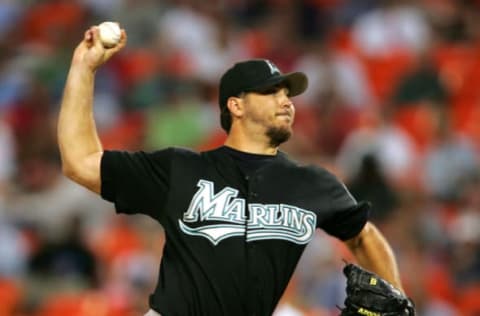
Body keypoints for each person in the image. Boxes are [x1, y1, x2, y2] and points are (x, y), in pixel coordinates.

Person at [58, 25, 405, 316]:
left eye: (288, 93)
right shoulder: (181, 168)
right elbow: (81, 162)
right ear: (236, 105)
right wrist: (83, 68)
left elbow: (363, 235)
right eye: (271, 92)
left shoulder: (312, 183)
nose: (286, 101)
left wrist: (398, 300)